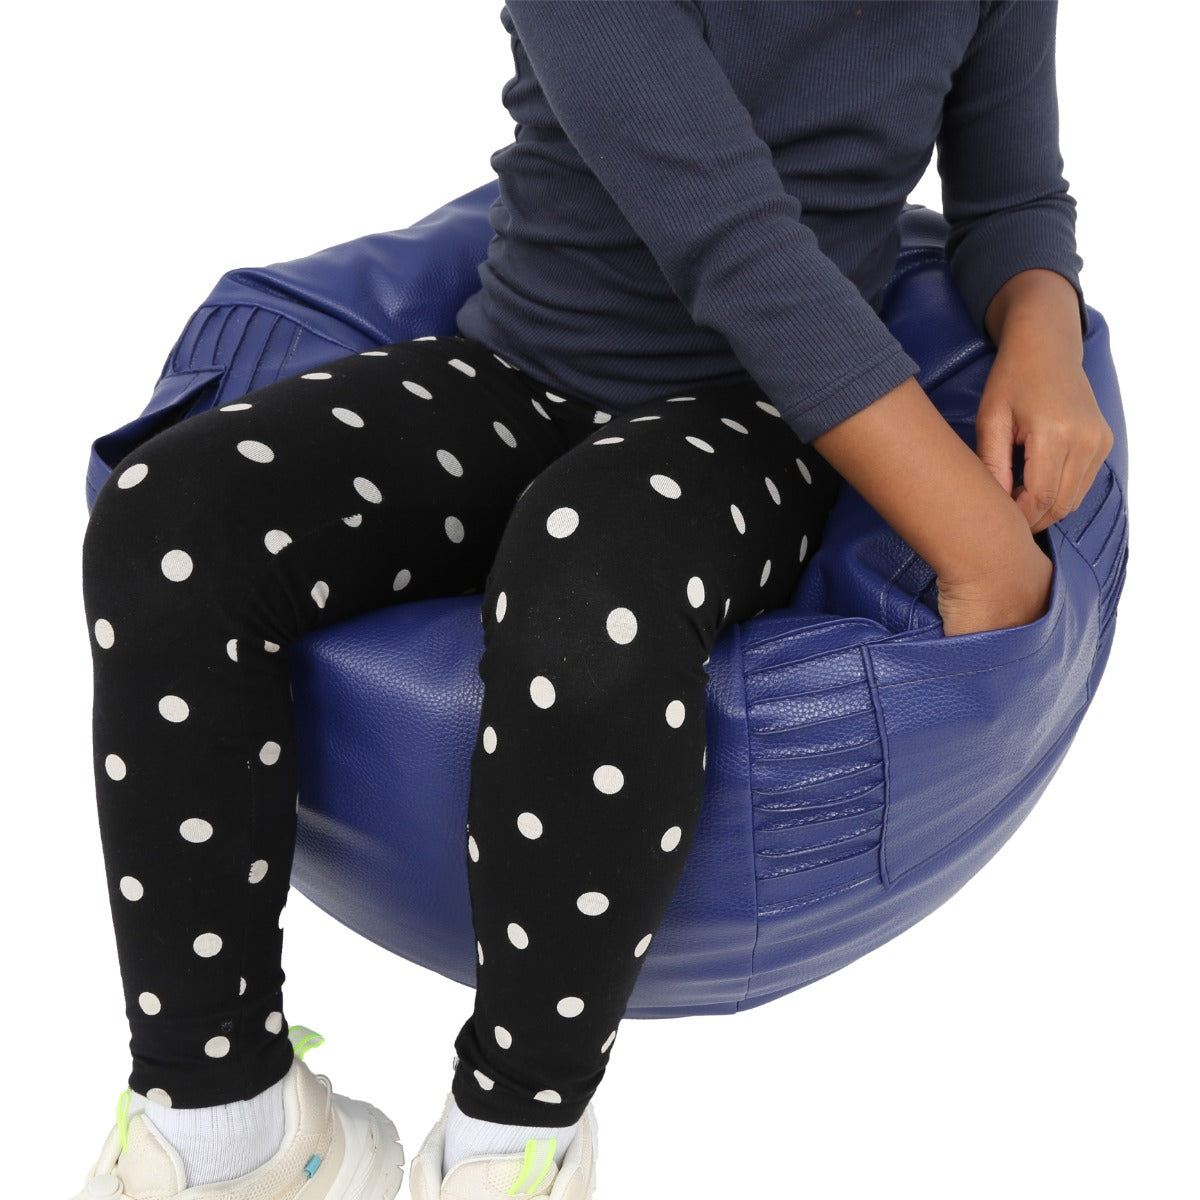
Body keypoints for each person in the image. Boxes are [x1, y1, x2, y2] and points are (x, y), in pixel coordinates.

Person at [73, 3, 1114, 1199]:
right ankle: (223, 1125)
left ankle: (512, 1146)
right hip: (517, 364)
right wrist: (974, 540)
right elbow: (730, 234)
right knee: (168, 527)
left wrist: (1043, 335)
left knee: (591, 583)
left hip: (758, 416)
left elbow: (1013, 196)